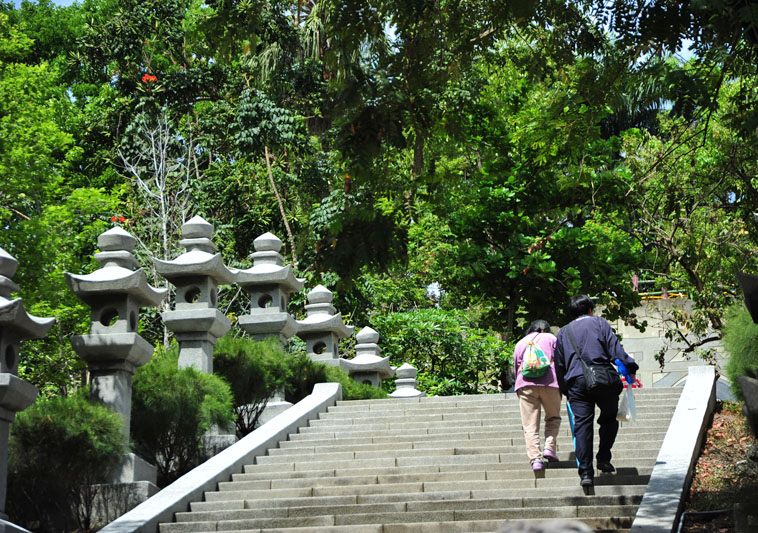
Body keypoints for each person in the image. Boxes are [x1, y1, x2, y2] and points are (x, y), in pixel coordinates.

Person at [554, 294, 639, 487]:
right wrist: (630, 368)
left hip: (576, 383)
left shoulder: (563, 332)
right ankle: (603, 457)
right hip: (603, 379)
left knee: (582, 426)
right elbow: (615, 349)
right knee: (609, 418)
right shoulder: (599, 323)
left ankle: (585, 473)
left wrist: (566, 389)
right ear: (590, 309)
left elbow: (559, 365)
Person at [513, 319, 562, 471]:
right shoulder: (552, 338)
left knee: (530, 425)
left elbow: (516, 366)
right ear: (545, 329)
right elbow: (561, 362)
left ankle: (536, 459)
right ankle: (549, 447)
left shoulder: (521, 342)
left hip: (526, 385)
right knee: (553, 417)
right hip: (550, 384)